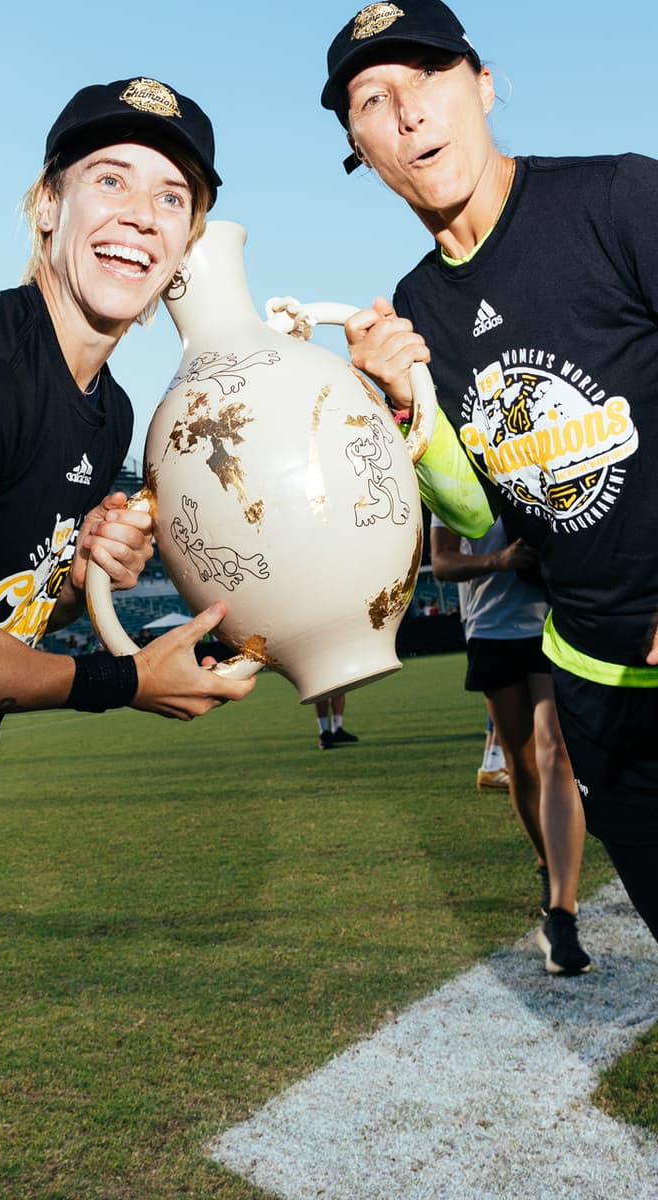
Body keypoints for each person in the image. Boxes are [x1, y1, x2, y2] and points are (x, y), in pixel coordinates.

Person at [0, 77, 256, 1200]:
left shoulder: (106, 410)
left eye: (169, 196)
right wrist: (116, 679)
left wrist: (73, 559)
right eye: (108, 180)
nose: (138, 210)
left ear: (186, 246)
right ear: (46, 205)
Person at [320, 1, 658, 943]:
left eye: (428, 77)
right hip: (594, 681)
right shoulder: (421, 305)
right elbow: (480, 501)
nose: (409, 112)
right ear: (361, 148)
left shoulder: (618, 197)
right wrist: (406, 410)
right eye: (374, 100)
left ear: (483, 83)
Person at [431, 515, 590, 973]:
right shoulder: (461, 476)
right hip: (491, 628)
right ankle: (547, 863)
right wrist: (501, 560)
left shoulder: (546, 456)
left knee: (556, 749)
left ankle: (562, 914)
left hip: (553, 620)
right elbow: (441, 563)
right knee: (522, 766)